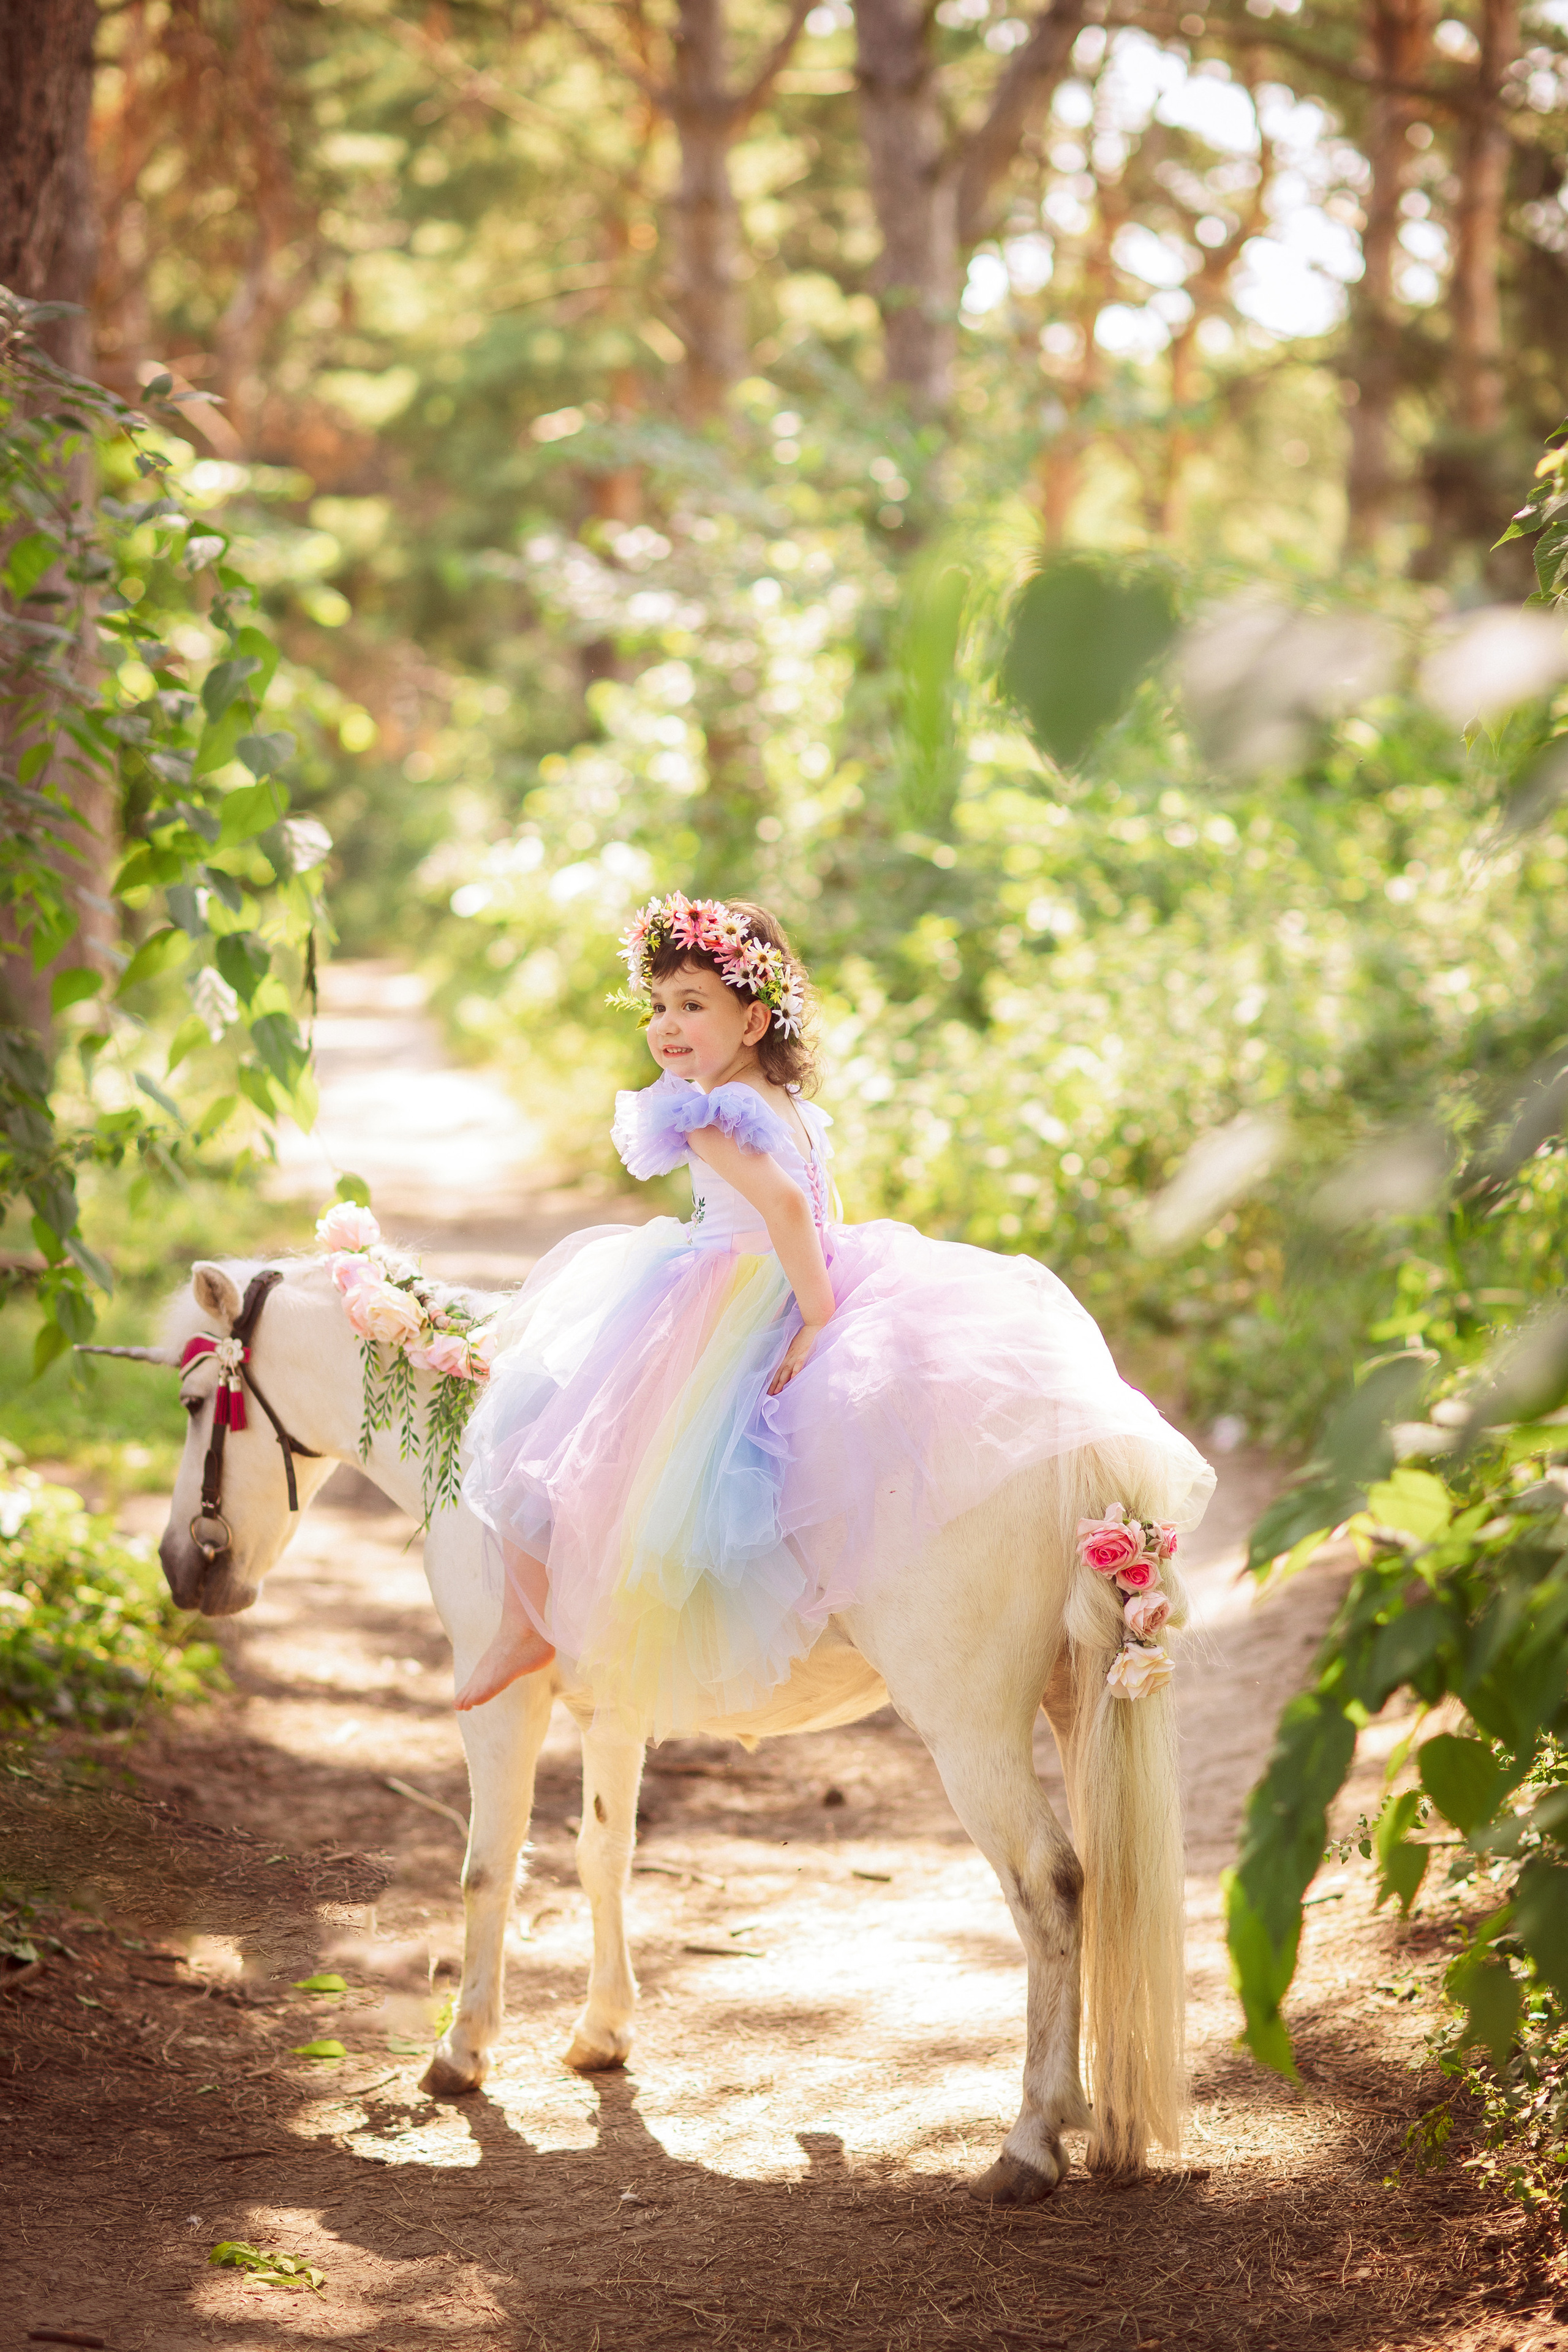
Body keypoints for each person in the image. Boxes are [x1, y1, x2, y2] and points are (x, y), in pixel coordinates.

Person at [456, 892, 1212, 1733]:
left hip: (748, 1288)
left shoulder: (702, 1114)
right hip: (819, 1266)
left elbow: (783, 1211)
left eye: (693, 1005)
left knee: (543, 1412)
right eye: (659, 1006)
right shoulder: (789, 1108)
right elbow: (817, 1205)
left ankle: (523, 1629)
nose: (668, 1026)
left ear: (752, 1021)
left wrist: (817, 1317)